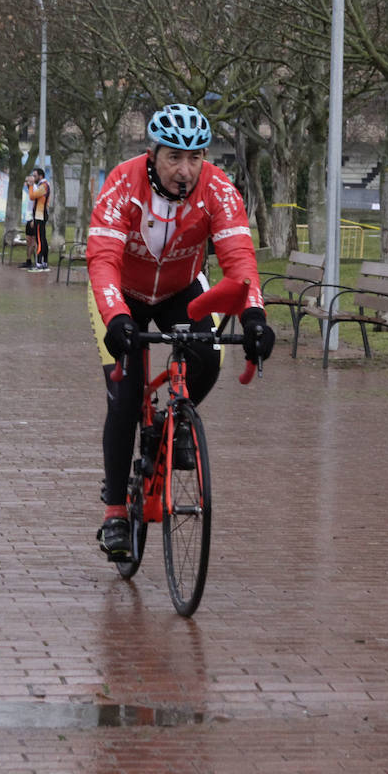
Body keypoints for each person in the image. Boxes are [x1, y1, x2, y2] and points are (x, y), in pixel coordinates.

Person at [87, 103, 276, 559]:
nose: (185, 170)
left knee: (209, 356)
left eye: (195, 158)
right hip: (124, 290)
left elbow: (239, 259)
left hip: (182, 289)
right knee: (126, 397)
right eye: (174, 157)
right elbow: (104, 258)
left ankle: (175, 423)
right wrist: (115, 318)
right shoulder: (122, 183)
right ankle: (114, 512)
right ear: (152, 153)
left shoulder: (218, 189)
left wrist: (254, 316)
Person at [25, 167, 50, 271]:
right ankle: (44, 262)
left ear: (41, 176)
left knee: (40, 240)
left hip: (40, 215)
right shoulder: (43, 185)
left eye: (35, 176)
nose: (33, 178)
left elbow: (32, 196)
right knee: (43, 239)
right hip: (40, 214)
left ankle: (39, 263)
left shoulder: (44, 186)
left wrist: (30, 185)